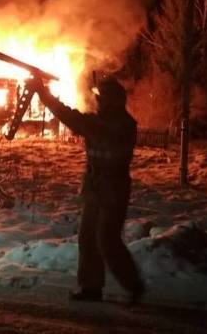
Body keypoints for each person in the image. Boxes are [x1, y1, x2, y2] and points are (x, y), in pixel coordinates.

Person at [28, 75, 145, 306]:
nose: (97, 102)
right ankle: (91, 288)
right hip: (95, 188)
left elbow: (75, 120)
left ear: (111, 101)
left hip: (113, 190)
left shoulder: (121, 124)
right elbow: (73, 118)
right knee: (88, 238)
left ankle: (134, 286)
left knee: (107, 240)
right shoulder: (99, 121)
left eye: (101, 99)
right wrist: (43, 93)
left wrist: (43, 93)